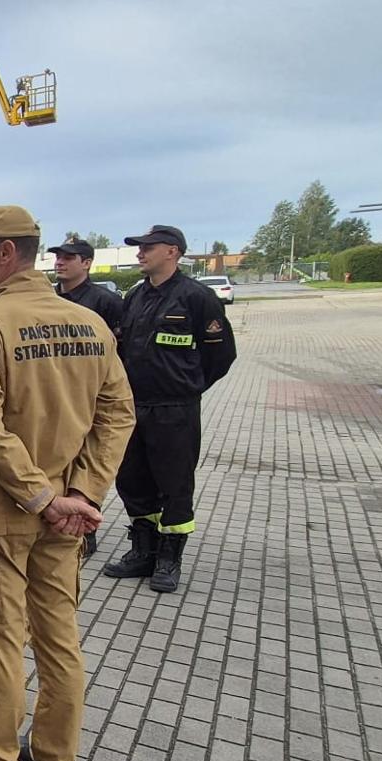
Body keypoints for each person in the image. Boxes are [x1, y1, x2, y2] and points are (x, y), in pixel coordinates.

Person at [0, 205, 135, 761]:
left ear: (7, 253)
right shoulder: (89, 324)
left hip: (5, 514)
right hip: (68, 516)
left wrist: (43, 498)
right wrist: (84, 495)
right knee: (59, 638)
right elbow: (117, 414)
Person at [101, 225, 237, 593]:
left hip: (175, 409)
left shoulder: (197, 297)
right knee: (132, 479)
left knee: (174, 484)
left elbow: (221, 354)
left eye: (148, 247)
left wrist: (189, 386)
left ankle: (169, 558)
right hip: (133, 407)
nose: (140, 253)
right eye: (139, 247)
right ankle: (142, 551)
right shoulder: (135, 296)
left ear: (172, 252)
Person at [48, 238, 126, 556]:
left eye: (69, 258)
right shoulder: (47, 300)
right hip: (54, 395)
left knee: (86, 461)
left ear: (87, 263)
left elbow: (121, 354)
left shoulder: (105, 302)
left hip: (90, 396)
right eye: (57, 257)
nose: (60, 262)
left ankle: (84, 526)